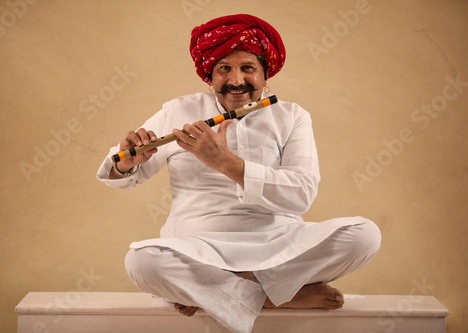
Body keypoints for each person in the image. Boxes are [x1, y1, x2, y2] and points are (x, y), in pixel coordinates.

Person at [97, 14, 381, 333]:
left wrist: (225, 162)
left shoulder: (292, 116)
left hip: (279, 243)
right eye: (224, 69)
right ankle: (277, 295)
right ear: (210, 76)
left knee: (364, 235)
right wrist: (127, 160)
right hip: (199, 247)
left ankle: (218, 292)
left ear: (264, 75)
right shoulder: (178, 111)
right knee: (143, 262)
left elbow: (301, 194)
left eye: (247, 68)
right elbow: (123, 170)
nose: (236, 81)